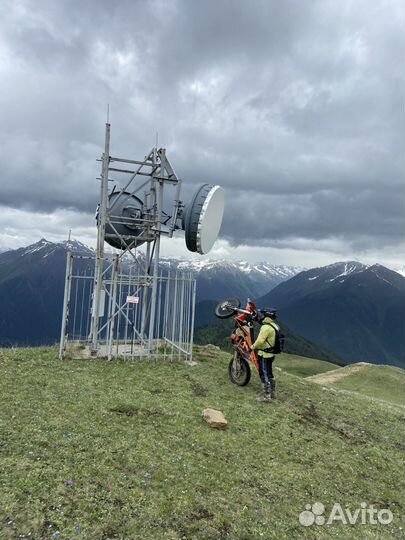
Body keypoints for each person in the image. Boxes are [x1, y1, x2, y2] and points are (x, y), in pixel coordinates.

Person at [251, 308, 280, 402]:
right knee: (270, 372)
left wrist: (252, 347)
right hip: (271, 354)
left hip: (264, 354)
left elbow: (260, 341)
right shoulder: (274, 326)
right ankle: (273, 393)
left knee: (263, 374)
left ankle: (266, 397)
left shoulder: (265, 327)